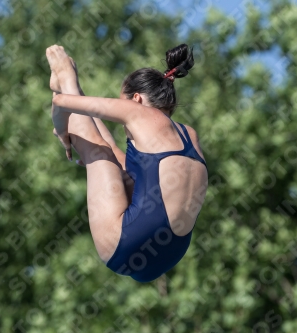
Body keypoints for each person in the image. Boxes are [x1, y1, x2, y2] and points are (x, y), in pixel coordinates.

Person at [46, 43, 208, 283]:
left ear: (136, 98)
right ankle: (74, 87)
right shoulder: (189, 136)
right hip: (167, 255)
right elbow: (128, 168)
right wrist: (106, 176)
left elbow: (60, 104)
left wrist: (63, 133)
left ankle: (66, 75)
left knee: (97, 154)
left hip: (128, 244)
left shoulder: (137, 111)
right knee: (106, 155)